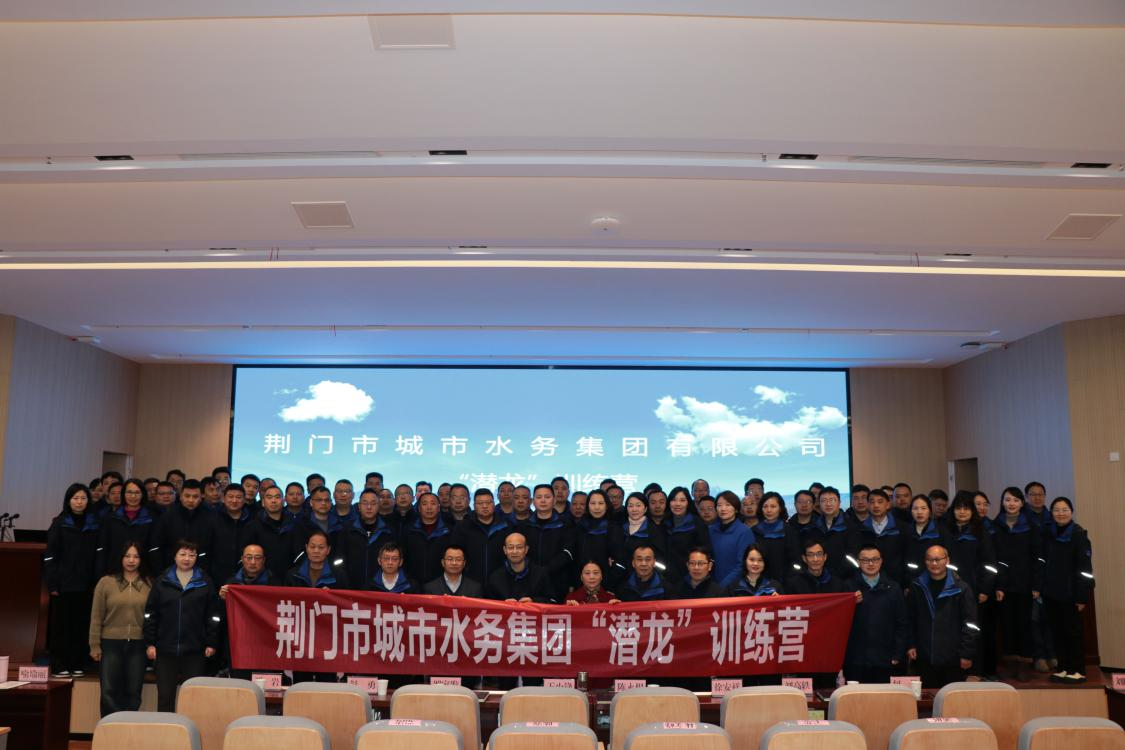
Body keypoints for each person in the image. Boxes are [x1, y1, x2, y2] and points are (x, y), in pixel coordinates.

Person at [144, 540, 221, 712]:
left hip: (195, 650)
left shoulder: (205, 581)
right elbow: (150, 614)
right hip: (165, 649)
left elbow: (213, 616)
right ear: (174, 556)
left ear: (196, 557)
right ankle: (166, 728)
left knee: (193, 697)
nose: (187, 559)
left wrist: (211, 643)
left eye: (192, 555)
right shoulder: (162, 580)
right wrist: (150, 643)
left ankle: (189, 728)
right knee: (165, 696)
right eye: (183, 554)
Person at [1035, 496, 1094, 684]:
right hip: (1051, 593)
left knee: (1072, 633)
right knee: (1057, 632)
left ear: (1071, 512)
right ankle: (1063, 668)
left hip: (1071, 594)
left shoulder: (1078, 535)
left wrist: (1082, 597)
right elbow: (1042, 562)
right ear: (1051, 513)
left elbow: (1085, 570)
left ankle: (1077, 670)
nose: (1061, 513)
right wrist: (1039, 587)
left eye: (1065, 510)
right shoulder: (1048, 533)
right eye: (1056, 510)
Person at [90, 541, 152, 716]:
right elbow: (96, 616)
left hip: (138, 645)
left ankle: (127, 728)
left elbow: (154, 617)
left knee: (133, 692)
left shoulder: (149, 584)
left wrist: (151, 643)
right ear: (120, 558)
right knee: (109, 691)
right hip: (111, 643)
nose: (131, 560)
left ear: (141, 559)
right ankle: (110, 728)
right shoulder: (106, 582)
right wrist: (94, 645)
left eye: (136, 556)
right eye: (127, 556)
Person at [45, 483, 100, 677]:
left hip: (86, 583)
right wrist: (52, 583)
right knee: (61, 626)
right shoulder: (59, 523)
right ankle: (59, 664)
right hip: (63, 583)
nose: (79, 502)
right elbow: (50, 555)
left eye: (83, 498)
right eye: (75, 498)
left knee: (81, 625)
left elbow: (98, 555)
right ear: (68, 501)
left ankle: (77, 663)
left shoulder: (95, 523)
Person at [905, 544, 977, 688]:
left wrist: (966, 653)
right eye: (929, 560)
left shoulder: (961, 588)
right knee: (926, 698)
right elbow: (909, 618)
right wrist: (910, 644)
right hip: (924, 657)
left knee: (953, 698)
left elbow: (971, 624)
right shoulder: (917, 586)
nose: (934, 563)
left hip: (953, 658)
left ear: (947, 560)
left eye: (938, 559)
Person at [945, 490, 998, 679]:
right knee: (952, 629)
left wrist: (985, 589)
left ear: (972, 511)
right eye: (958, 508)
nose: (962, 512)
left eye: (966, 508)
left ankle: (976, 671)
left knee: (973, 630)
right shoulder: (945, 530)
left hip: (974, 590)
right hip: (948, 589)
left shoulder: (981, 532)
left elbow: (990, 564)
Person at [844, 544, 908, 684]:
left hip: (885, 659)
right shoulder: (848, 587)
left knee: (883, 697)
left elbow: (902, 623)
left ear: (881, 561)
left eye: (875, 559)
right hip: (855, 660)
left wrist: (898, 653)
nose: (871, 564)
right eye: (865, 560)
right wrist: (849, 603)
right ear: (858, 562)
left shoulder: (894, 588)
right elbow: (838, 623)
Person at [992, 486, 1037, 680]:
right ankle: (1010, 663)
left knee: (1024, 624)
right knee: (1007, 625)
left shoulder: (1031, 526)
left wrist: (1036, 585)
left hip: (1025, 584)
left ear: (1022, 503)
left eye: (1016, 500)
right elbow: (993, 558)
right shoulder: (995, 526)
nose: (1011, 503)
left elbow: (1037, 557)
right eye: (1008, 499)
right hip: (1003, 586)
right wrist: (998, 585)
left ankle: (1025, 664)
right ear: (1002, 502)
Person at [519, 483, 577, 600]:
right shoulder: (525, 526)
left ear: (554, 500)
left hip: (558, 578)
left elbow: (568, 552)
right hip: (529, 577)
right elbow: (521, 552)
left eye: (547, 497)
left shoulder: (566, 524)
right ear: (533, 501)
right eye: (539, 497)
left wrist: (546, 570)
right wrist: (535, 570)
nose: (543, 500)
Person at [149, 479, 215, 573]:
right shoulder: (168, 516)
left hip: (201, 571)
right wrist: (160, 572)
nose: (191, 500)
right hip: (169, 569)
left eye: (195, 496)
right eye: (187, 496)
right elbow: (156, 546)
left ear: (201, 497)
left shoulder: (210, 517)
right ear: (180, 496)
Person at [450, 488, 511, 585]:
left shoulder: (505, 526)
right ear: (474, 505)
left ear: (494, 504)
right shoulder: (463, 527)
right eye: (480, 503)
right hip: (470, 582)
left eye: (488, 503)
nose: (485, 506)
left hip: (501, 581)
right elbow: (456, 555)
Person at [337, 488, 395, 587]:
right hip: (350, 589)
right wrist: (344, 583)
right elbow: (338, 560)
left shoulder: (388, 531)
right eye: (365, 503)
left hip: (380, 589)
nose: (369, 507)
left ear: (378, 506)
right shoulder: (347, 530)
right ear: (359, 506)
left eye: (373, 503)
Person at [98, 478, 156, 575]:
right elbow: (103, 547)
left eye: (137, 492)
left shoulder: (152, 518)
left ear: (143, 494)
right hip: (114, 569)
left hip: (143, 571)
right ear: (123, 494)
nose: (133, 496)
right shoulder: (111, 518)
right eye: (129, 492)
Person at [248, 484, 301, 582]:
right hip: (261, 579)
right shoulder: (253, 526)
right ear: (263, 502)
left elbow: (299, 554)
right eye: (269, 497)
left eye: (277, 497)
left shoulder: (294, 525)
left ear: (283, 501)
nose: (273, 501)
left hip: (290, 579)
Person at [807, 486, 861, 580]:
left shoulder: (851, 526)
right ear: (819, 504)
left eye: (832, 500)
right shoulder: (813, 527)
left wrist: (836, 576)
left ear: (839, 503)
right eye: (824, 501)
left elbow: (853, 556)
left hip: (845, 578)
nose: (828, 504)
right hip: (818, 577)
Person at [858, 488, 906, 586]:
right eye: (872, 502)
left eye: (880, 502)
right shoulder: (860, 529)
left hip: (896, 581)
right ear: (868, 505)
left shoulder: (902, 528)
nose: (876, 505)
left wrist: (906, 582)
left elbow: (907, 556)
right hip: (867, 582)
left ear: (888, 505)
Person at [208, 483, 255, 585]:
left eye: (238, 497)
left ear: (244, 500)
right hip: (216, 574)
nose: (234, 500)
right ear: (223, 498)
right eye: (230, 496)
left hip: (245, 575)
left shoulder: (252, 521)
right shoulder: (212, 519)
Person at [663, 486, 712, 582]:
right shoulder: (664, 523)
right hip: (667, 578)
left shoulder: (697, 523)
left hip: (691, 578)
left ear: (688, 502)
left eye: (682, 500)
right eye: (674, 500)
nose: (677, 504)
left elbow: (706, 551)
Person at [402, 492, 452, 585]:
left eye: (433, 503)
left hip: (441, 584)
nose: (429, 507)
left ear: (438, 508)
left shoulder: (449, 531)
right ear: (419, 508)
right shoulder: (408, 530)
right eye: (424, 504)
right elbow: (402, 557)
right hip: (412, 583)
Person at [486, 532, 552, 602]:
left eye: (519, 547)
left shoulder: (540, 574)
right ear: (505, 550)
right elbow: (489, 604)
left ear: (526, 549)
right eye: (510, 547)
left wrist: (534, 601)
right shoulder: (495, 577)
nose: (515, 551)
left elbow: (551, 601)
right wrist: (503, 604)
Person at [752, 492, 801, 582]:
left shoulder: (789, 531)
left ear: (780, 508)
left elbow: (795, 560)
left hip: (785, 582)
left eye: (773, 506)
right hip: (758, 581)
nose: (769, 510)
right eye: (765, 506)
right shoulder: (754, 531)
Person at [709, 491, 753, 586]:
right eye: (719, 505)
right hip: (712, 584)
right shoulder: (711, 530)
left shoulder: (744, 532)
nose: (723, 509)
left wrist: (722, 587)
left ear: (736, 509)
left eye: (728, 505)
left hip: (735, 586)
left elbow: (742, 565)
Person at [575, 489, 618, 582]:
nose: (597, 507)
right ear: (587, 505)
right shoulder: (580, 526)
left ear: (607, 505)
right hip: (582, 579)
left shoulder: (614, 528)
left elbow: (619, 558)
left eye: (601, 503)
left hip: (607, 579)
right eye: (593, 503)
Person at [285, 529, 352, 589]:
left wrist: (331, 595)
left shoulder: (339, 576)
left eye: (321, 547)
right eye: (312, 547)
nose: (316, 551)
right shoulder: (293, 575)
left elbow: (345, 598)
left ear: (328, 550)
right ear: (306, 548)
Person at [904, 494, 951, 578]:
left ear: (930, 511)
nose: (919, 512)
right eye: (915, 508)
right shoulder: (905, 532)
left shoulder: (941, 531)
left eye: (923, 508)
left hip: (936, 577)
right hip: (911, 578)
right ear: (910, 511)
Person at [785, 539, 851, 594]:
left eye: (819, 554)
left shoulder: (837, 585)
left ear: (825, 557)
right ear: (804, 558)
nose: (815, 559)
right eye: (810, 555)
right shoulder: (794, 584)